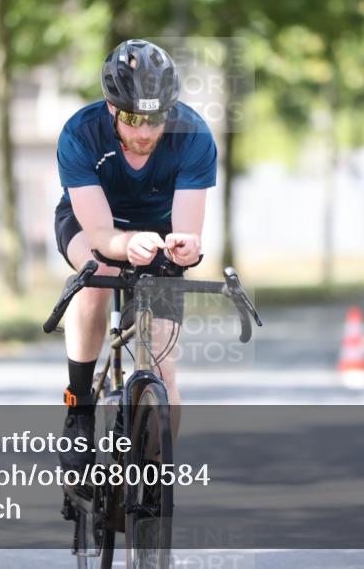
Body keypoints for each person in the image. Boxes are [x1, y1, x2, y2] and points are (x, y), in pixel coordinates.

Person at [52, 39, 218, 481]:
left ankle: (154, 483)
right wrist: (125, 246)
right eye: (132, 118)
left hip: (158, 230)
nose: (144, 132)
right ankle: (80, 407)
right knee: (98, 273)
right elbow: (103, 235)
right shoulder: (79, 134)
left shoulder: (194, 136)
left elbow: (188, 233)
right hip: (95, 224)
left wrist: (187, 247)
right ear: (111, 109)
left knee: (164, 371)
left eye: (155, 118)